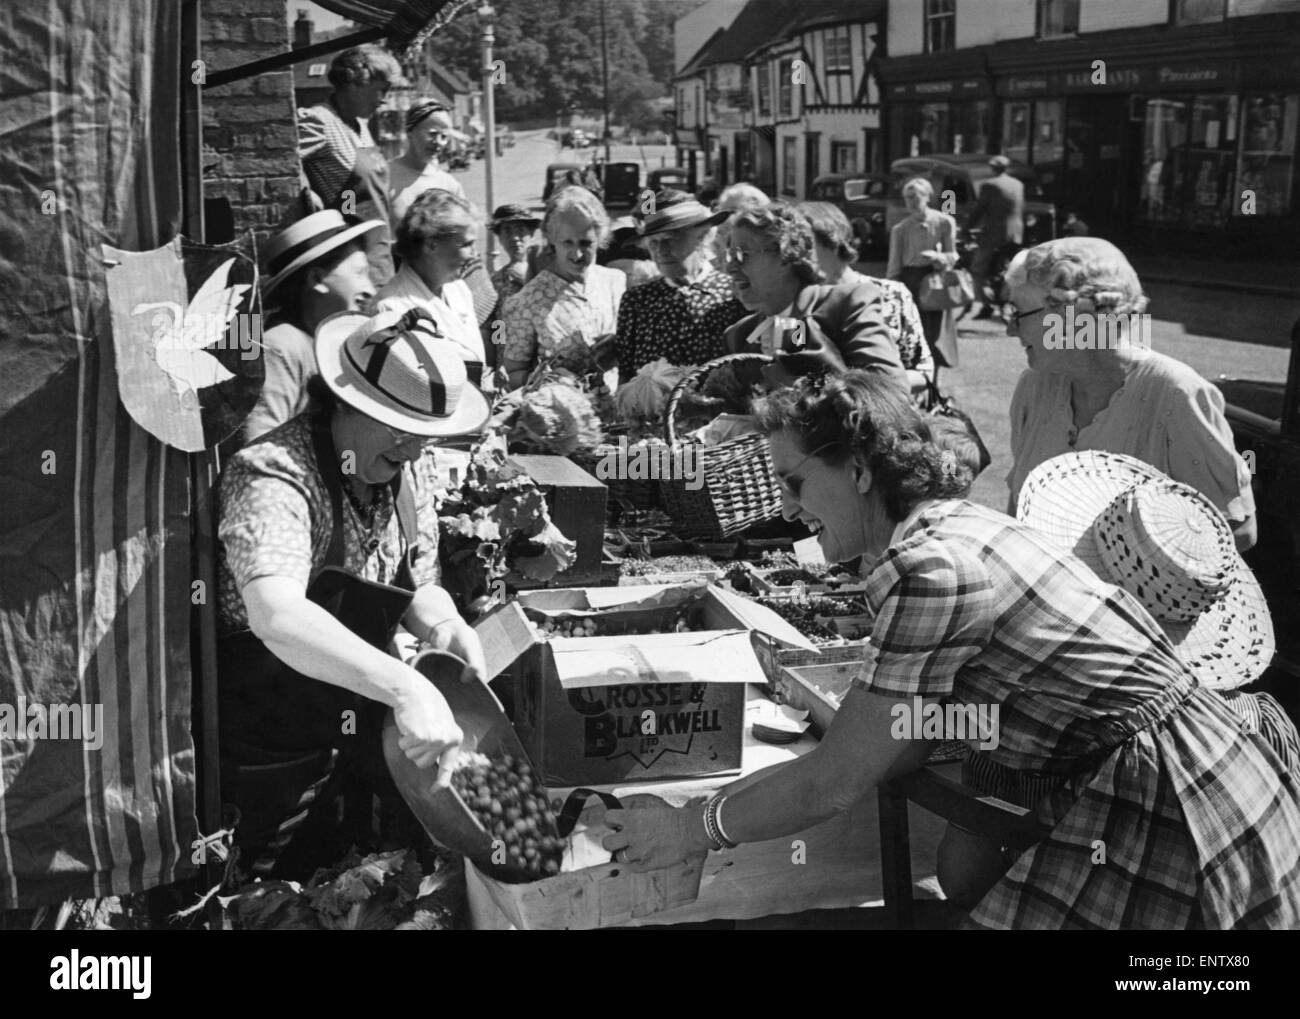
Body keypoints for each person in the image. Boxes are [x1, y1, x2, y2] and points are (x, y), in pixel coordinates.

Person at [601, 371, 1300, 930]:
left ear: (860, 470)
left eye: (795, 482)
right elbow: (894, 745)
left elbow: (834, 782)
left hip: (1173, 793)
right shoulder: (955, 525)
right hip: (1181, 763)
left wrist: (693, 826)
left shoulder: (930, 568)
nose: (786, 510)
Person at [216, 306, 490, 875]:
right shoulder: (273, 475)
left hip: (354, 741)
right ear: (348, 403)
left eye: (427, 436)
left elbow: (417, 579)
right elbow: (278, 614)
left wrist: (443, 625)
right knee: (256, 900)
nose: (416, 449)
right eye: (403, 431)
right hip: (268, 757)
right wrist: (405, 688)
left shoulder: (401, 471)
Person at [1003, 237, 1257, 551]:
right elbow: (1018, 508)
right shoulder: (1035, 385)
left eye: (1018, 313)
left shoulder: (1176, 394)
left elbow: (1238, 530)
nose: (1010, 329)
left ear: (1073, 318)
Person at [722, 202, 905, 390]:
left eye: (742, 254)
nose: (730, 268)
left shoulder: (846, 305)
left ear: (786, 254)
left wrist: (801, 387)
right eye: (729, 256)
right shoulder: (739, 336)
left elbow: (890, 389)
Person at [242, 210, 383, 444]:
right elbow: (258, 448)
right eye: (359, 274)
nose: (370, 289)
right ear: (317, 279)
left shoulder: (335, 345)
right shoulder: (280, 347)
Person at [799, 200, 933, 398]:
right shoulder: (798, 302)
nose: (796, 254)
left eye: (805, 244)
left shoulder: (891, 294)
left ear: (832, 240)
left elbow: (923, 372)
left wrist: (869, 386)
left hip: (884, 416)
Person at [297, 45, 404, 284]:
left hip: (379, 256)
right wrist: (306, 191)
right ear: (356, 83)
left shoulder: (361, 126)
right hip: (346, 266)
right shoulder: (319, 121)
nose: (384, 100)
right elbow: (282, 164)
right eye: (381, 90)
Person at [501, 186, 625, 389]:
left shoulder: (615, 282)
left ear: (600, 238)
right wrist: (548, 381)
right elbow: (511, 375)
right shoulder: (527, 300)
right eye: (568, 243)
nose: (577, 254)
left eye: (586, 243)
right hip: (562, 414)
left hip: (618, 413)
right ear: (552, 239)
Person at [612, 190, 744, 381]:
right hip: (652, 410)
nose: (661, 251)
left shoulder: (733, 294)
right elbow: (626, 377)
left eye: (670, 239)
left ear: (702, 236)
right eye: (653, 243)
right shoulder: (637, 301)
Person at [372, 189, 486, 384]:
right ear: (431, 245)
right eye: (467, 244)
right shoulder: (391, 307)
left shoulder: (459, 289)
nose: (475, 254)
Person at [886, 177, 960, 374]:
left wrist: (940, 258)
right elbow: (894, 266)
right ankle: (917, 378)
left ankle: (935, 381)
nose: (910, 202)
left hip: (936, 282)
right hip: (911, 282)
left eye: (914, 197)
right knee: (913, 333)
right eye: (906, 198)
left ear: (927, 196)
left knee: (936, 335)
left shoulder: (945, 222)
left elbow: (953, 255)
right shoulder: (900, 229)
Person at [388, 100, 465, 228]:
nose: (439, 142)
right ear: (410, 132)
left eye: (444, 137)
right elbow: (354, 216)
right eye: (432, 134)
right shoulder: (384, 177)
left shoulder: (450, 186)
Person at [965, 155, 1025, 319]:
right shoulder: (1018, 184)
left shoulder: (990, 185)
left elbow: (979, 209)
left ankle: (986, 304)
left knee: (977, 269)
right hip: (1015, 233)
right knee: (1010, 269)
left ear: (993, 168)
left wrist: (967, 228)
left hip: (994, 233)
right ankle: (1007, 300)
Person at [709, 182, 769, 266]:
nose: (725, 219)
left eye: (733, 211)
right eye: (722, 212)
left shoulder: (768, 248)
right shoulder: (711, 247)